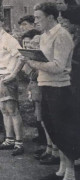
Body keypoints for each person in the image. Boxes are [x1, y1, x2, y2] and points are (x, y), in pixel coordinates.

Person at [21, 3, 80, 180]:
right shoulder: (44, 36)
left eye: (39, 17)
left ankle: (70, 172)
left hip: (60, 89)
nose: (36, 21)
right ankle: (62, 168)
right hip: (45, 85)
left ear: (51, 17)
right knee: (53, 129)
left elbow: (58, 66)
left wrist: (33, 63)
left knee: (63, 130)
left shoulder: (61, 35)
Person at [0, 11, 25, 156]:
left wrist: (13, 75)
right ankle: (9, 140)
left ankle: (19, 143)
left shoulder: (9, 39)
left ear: (0, 23)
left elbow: (21, 57)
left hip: (6, 78)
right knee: (4, 111)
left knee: (13, 110)